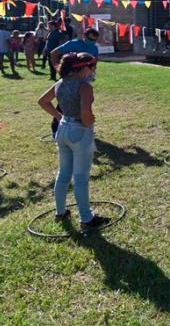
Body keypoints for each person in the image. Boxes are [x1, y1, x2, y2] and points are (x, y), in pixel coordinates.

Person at [37, 52, 110, 229]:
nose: (92, 72)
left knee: (63, 173)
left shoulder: (61, 83)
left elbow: (42, 101)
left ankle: (60, 211)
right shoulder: (84, 87)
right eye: (92, 68)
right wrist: (89, 121)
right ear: (84, 68)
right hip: (79, 131)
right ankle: (87, 218)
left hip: (63, 128)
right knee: (81, 177)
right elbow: (85, 111)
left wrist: (59, 116)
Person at [49, 28, 100, 138]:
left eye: (95, 40)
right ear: (84, 37)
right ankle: (56, 128)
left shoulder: (94, 48)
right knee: (64, 102)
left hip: (85, 78)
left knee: (83, 102)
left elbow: (95, 62)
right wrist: (58, 69)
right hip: (70, 77)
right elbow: (54, 53)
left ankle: (83, 124)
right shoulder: (73, 44)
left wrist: (92, 74)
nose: (93, 42)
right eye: (91, 39)